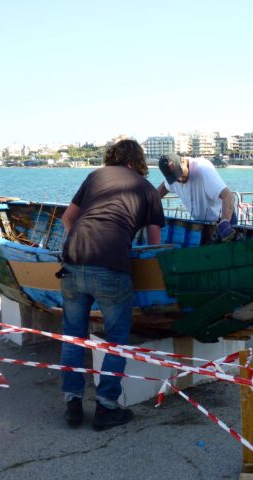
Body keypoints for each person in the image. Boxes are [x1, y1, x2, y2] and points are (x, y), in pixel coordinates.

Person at [60, 139, 165, 430]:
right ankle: (106, 409)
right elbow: (154, 244)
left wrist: (80, 244)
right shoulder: (145, 188)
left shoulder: (95, 176)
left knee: (73, 337)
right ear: (138, 161)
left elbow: (68, 218)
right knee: (116, 342)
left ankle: (72, 405)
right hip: (110, 267)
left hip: (72, 263)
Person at [157, 153, 236, 240]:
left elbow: (228, 196)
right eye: (174, 178)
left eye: (179, 174)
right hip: (201, 224)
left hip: (223, 220)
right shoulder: (172, 178)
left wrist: (224, 222)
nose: (179, 180)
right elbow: (158, 192)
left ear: (183, 161)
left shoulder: (202, 169)